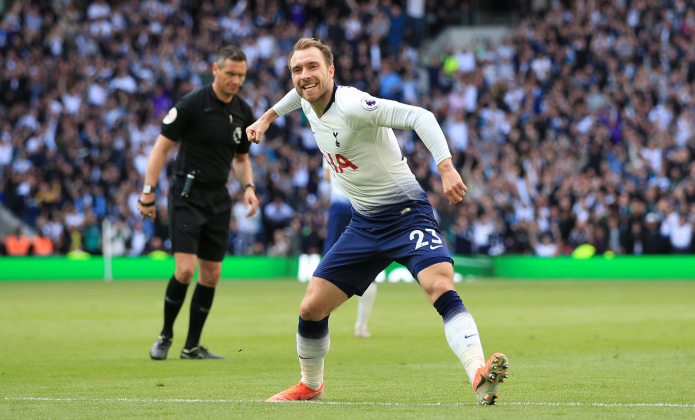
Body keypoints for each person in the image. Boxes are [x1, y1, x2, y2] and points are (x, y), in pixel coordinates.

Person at [247, 38, 508, 405]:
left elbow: (421, 116)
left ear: (331, 71)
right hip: (365, 223)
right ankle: (310, 384)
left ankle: (478, 373)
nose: (305, 76)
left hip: (406, 215)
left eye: (312, 67)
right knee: (311, 308)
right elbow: (297, 97)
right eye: (297, 69)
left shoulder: (354, 105)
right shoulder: (307, 101)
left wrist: (446, 168)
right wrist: (267, 117)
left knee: (438, 285)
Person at [137, 45, 259, 360]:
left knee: (211, 274)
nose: (236, 80)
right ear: (215, 70)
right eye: (230, 73)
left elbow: (241, 158)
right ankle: (165, 336)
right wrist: (148, 192)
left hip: (218, 198)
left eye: (241, 75)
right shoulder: (192, 104)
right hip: (187, 195)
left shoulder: (243, 112)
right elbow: (160, 149)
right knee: (185, 270)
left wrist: (248, 186)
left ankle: (191, 346)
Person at [323, 163, 377, 338]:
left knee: (329, 265)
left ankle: (320, 321)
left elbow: (327, 176)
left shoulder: (326, 138)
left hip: (340, 208)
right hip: (365, 206)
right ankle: (361, 325)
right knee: (370, 265)